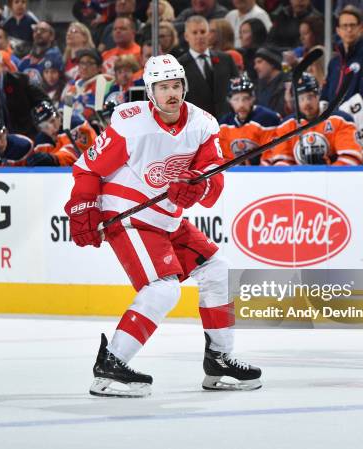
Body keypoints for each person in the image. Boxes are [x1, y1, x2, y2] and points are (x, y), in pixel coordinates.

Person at [64, 54, 261, 397]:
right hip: (128, 214)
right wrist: (83, 206)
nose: (171, 93)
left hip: (167, 219)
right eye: (163, 87)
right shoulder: (130, 123)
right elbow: (88, 169)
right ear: (150, 91)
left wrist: (196, 183)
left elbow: (212, 176)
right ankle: (111, 365)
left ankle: (219, 361)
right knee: (163, 288)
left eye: (176, 86)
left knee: (218, 271)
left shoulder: (202, 124)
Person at [261, 72, 363, 166]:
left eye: (310, 97)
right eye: (301, 99)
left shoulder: (340, 120)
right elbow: (282, 162)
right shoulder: (287, 125)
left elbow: (351, 157)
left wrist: (327, 175)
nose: (306, 103)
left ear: (318, 95)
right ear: (295, 101)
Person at [321, 5, 363, 123]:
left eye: (352, 25)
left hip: (360, 123)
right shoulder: (334, 61)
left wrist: (338, 114)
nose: (349, 30)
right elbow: (325, 94)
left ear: (361, 28)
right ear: (338, 30)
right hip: (332, 123)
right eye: (345, 26)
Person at [0, 48, 49, 139]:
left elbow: (44, 101)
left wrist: (39, 123)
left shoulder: (20, 81)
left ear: (2, 66)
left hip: (26, 136)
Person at [178, 16, 238, 120]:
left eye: (202, 32)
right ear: (186, 36)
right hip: (197, 124)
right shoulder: (179, 66)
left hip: (227, 122)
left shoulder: (226, 59)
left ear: (209, 34)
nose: (199, 36)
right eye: (195, 33)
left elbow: (237, 89)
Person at [219, 75, 281, 165]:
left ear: (253, 99)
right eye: (236, 99)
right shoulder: (224, 124)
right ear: (230, 101)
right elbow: (223, 159)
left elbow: (271, 155)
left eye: (245, 99)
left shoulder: (268, 118)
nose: (241, 104)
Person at [28, 100, 96, 166]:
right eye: (45, 126)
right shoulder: (41, 140)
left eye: (52, 121)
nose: (51, 128)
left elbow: (77, 153)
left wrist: (54, 159)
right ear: (40, 129)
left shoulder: (77, 125)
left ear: (59, 116)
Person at [17, 21, 64, 86]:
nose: (38, 33)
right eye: (35, 30)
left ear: (52, 36)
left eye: (43, 31)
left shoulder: (56, 58)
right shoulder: (25, 61)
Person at [253, 45, 287, 117]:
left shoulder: (287, 85)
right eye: (255, 63)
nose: (255, 67)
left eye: (259, 62)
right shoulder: (257, 87)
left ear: (272, 63)